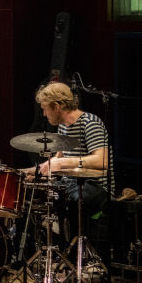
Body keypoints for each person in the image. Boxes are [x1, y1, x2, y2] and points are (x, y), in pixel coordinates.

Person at [24, 81, 110, 263]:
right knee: (32, 194)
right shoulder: (64, 127)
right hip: (71, 183)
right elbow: (54, 161)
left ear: (57, 106)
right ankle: (50, 256)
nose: (44, 114)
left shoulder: (90, 123)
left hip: (95, 187)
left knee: (73, 199)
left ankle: (79, 260)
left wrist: (63, 163)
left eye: (46, 109)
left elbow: (102, 161)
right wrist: (28, 171)